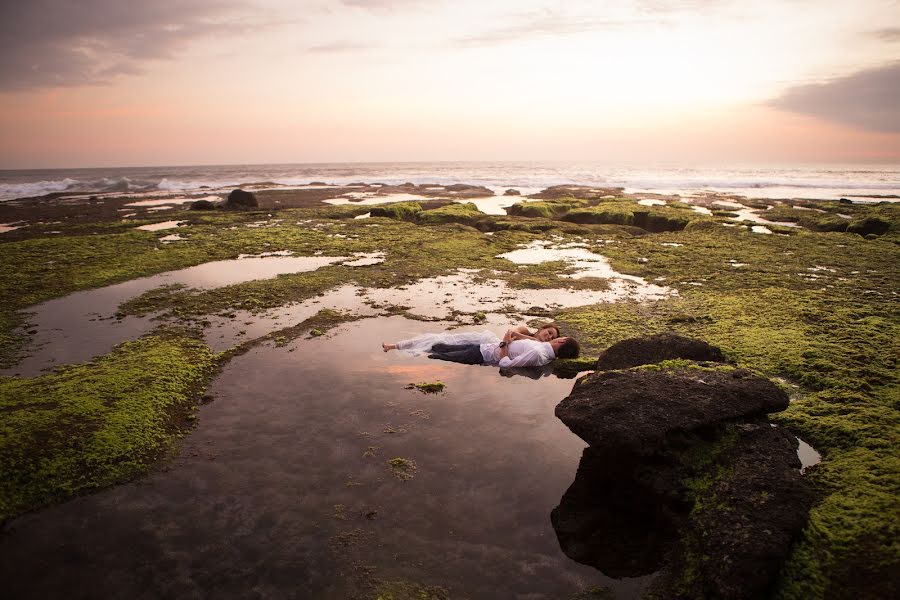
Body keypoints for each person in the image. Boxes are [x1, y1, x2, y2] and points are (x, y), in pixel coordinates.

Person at [383, 325, 579, 369]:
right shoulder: (531, 339)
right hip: (485, 344)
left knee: (437, 352)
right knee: (440, 344)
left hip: (485, 351)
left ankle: (401, 351)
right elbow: (512, 332)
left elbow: (506, 362)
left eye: (553, 336)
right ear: (542, 328)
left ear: (560, 342)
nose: (549, 336)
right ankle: (397, 347)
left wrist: (504, 342)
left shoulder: (538, 352)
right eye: (549, 332)